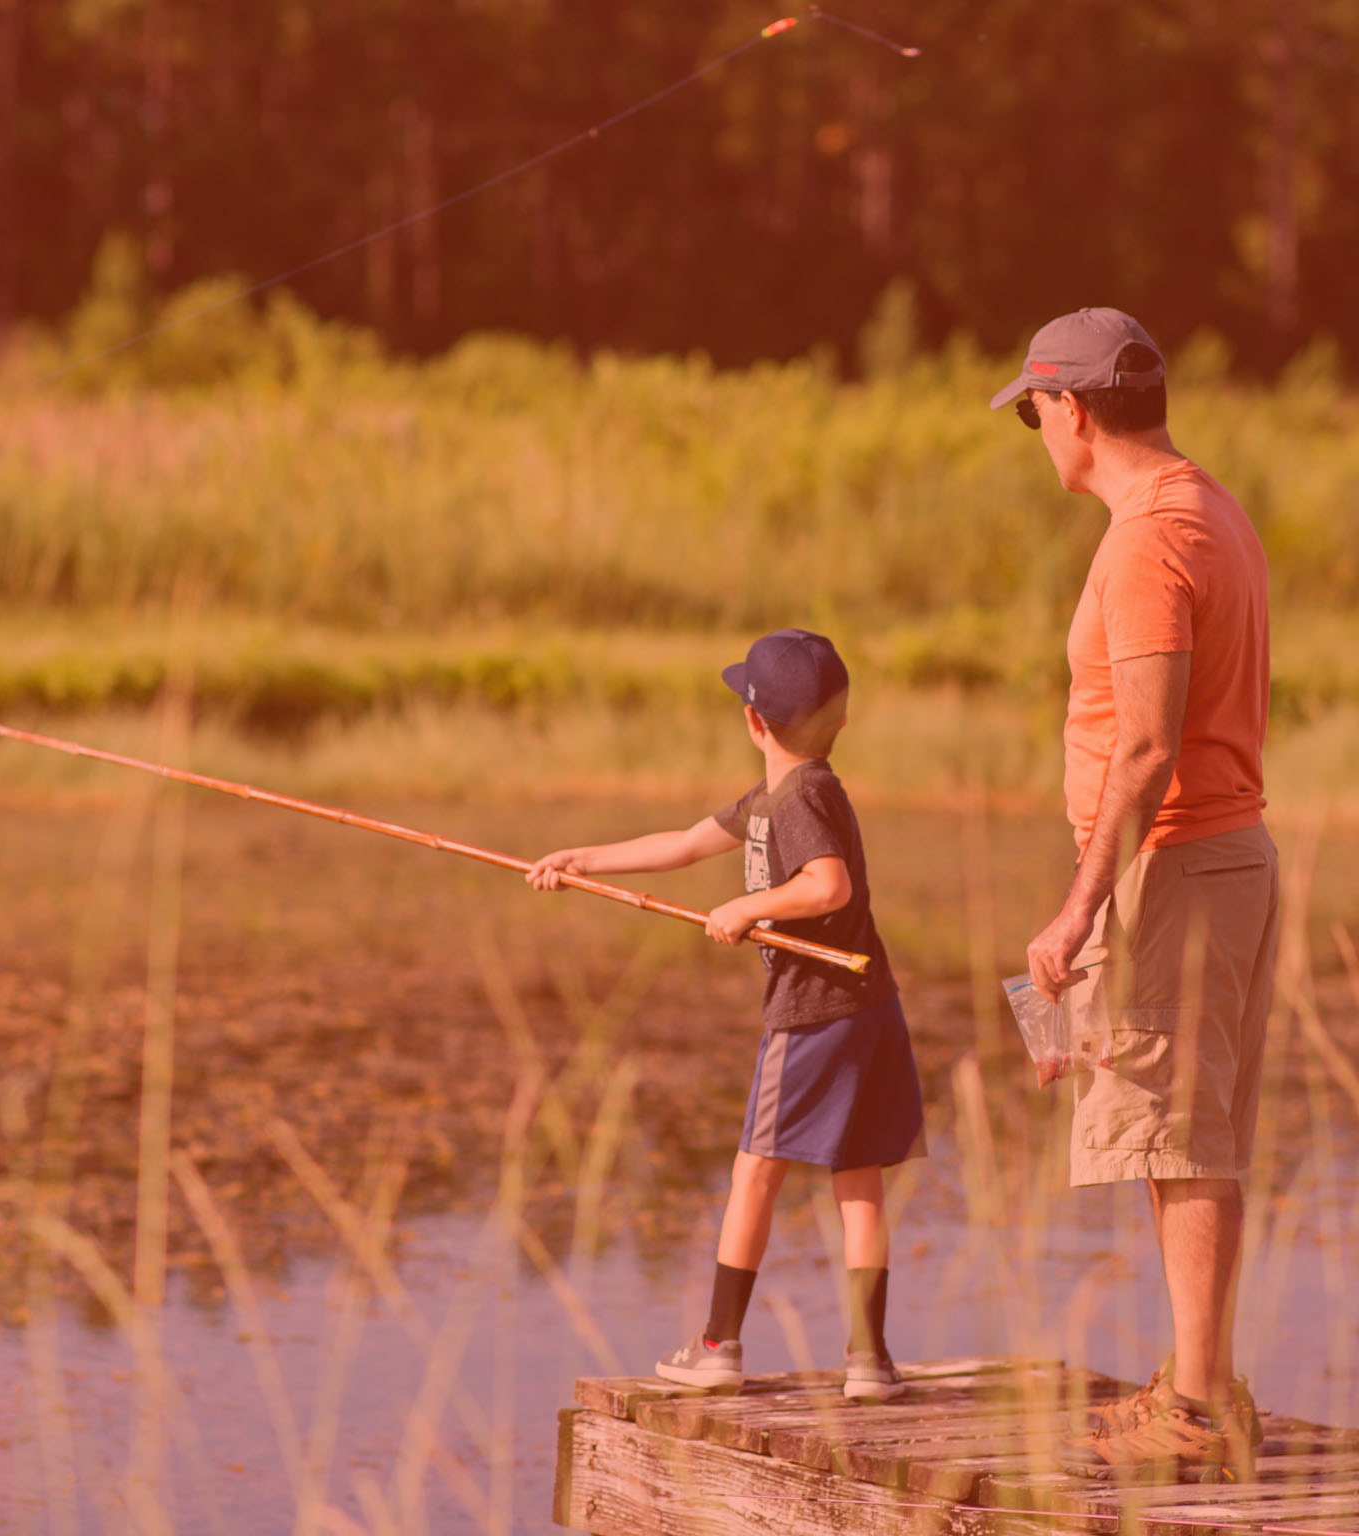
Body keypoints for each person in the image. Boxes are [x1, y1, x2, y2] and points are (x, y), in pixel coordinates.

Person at [993, 308, 1279, 1480]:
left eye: (1032, 412)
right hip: (1217, 861)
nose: (1034, 432)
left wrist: (1075, 908)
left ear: (1070, 409)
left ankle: (1199, 1414)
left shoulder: (1147, 541)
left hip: (1177, 866)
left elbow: (1150, 745)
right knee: (1180, 1136)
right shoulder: (1208, 506)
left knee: (1177, 1135)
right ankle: (1198, 1389)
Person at [527, 629, 923, 1402]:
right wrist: (584, 858)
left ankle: (717, 1345)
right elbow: (680, 845)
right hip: (869, 1007)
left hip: (814, 1012)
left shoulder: (804, 795)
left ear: (754, 722)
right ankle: (868, 1361)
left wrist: (748, 906)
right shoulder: (771, 798)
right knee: (860, 1177)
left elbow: (827, 886)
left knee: (755, 1172)